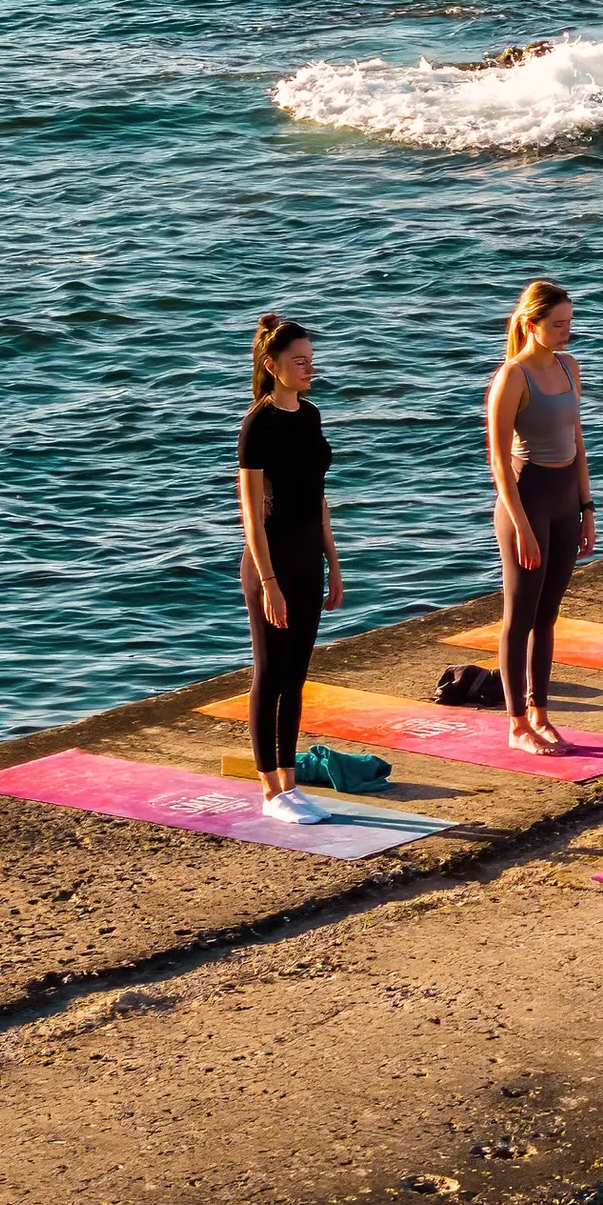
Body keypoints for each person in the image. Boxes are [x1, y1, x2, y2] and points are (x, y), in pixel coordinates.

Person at [235, 312, 342, 823]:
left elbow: (319, 499)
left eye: (311, 360)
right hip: (269, 564)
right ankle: (269, 789)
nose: (308, 367)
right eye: (299, 361)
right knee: (270, 673)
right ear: (273, 365)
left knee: (296, 675)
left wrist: (334, 565)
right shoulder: (258, 425)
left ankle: (291, 784)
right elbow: (251, 515)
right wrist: (270, 583)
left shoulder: (310, 415)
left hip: (307, 559)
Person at [482, 280, 593, 757]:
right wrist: (523, 525)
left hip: (567, 500)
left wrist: (588, 509)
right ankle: (516, 722)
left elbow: (578, 440)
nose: (566, 332)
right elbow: (498, 461)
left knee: (549, 616)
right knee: (520, 615)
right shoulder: (512, 376)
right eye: (557, 324)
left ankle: (542, 713)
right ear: (532, 324)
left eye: (569, 323)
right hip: (526, 503)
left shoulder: (570, 367)